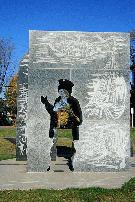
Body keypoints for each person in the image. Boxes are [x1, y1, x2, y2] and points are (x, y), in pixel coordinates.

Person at [41, 79, 82, 171]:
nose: (61, 93)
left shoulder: (73, 102)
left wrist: (71, 113)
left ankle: (70, 165)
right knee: (54, 149)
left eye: (64, 91)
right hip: (58, 128)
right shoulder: (57, 100)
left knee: (69, 150)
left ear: (68, 91)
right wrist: (46, 103)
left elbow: (79, 120)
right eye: (60, 91)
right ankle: (52, 166)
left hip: (68, 130)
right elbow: (53, 113)